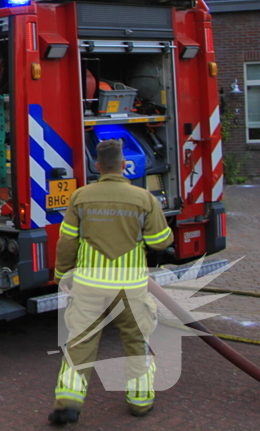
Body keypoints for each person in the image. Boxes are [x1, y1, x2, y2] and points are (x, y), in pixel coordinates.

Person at [49, 139, 173, 426]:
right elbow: (160, 241)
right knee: (136, 341)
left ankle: (68, 403)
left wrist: (62, 275)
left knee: (79, 343)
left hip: (89, 285)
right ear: (124, 165)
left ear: (97, 166)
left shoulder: (80, 197)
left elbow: (67, 241)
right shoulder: (144, 198)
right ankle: (140, 402)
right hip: (129, 288)